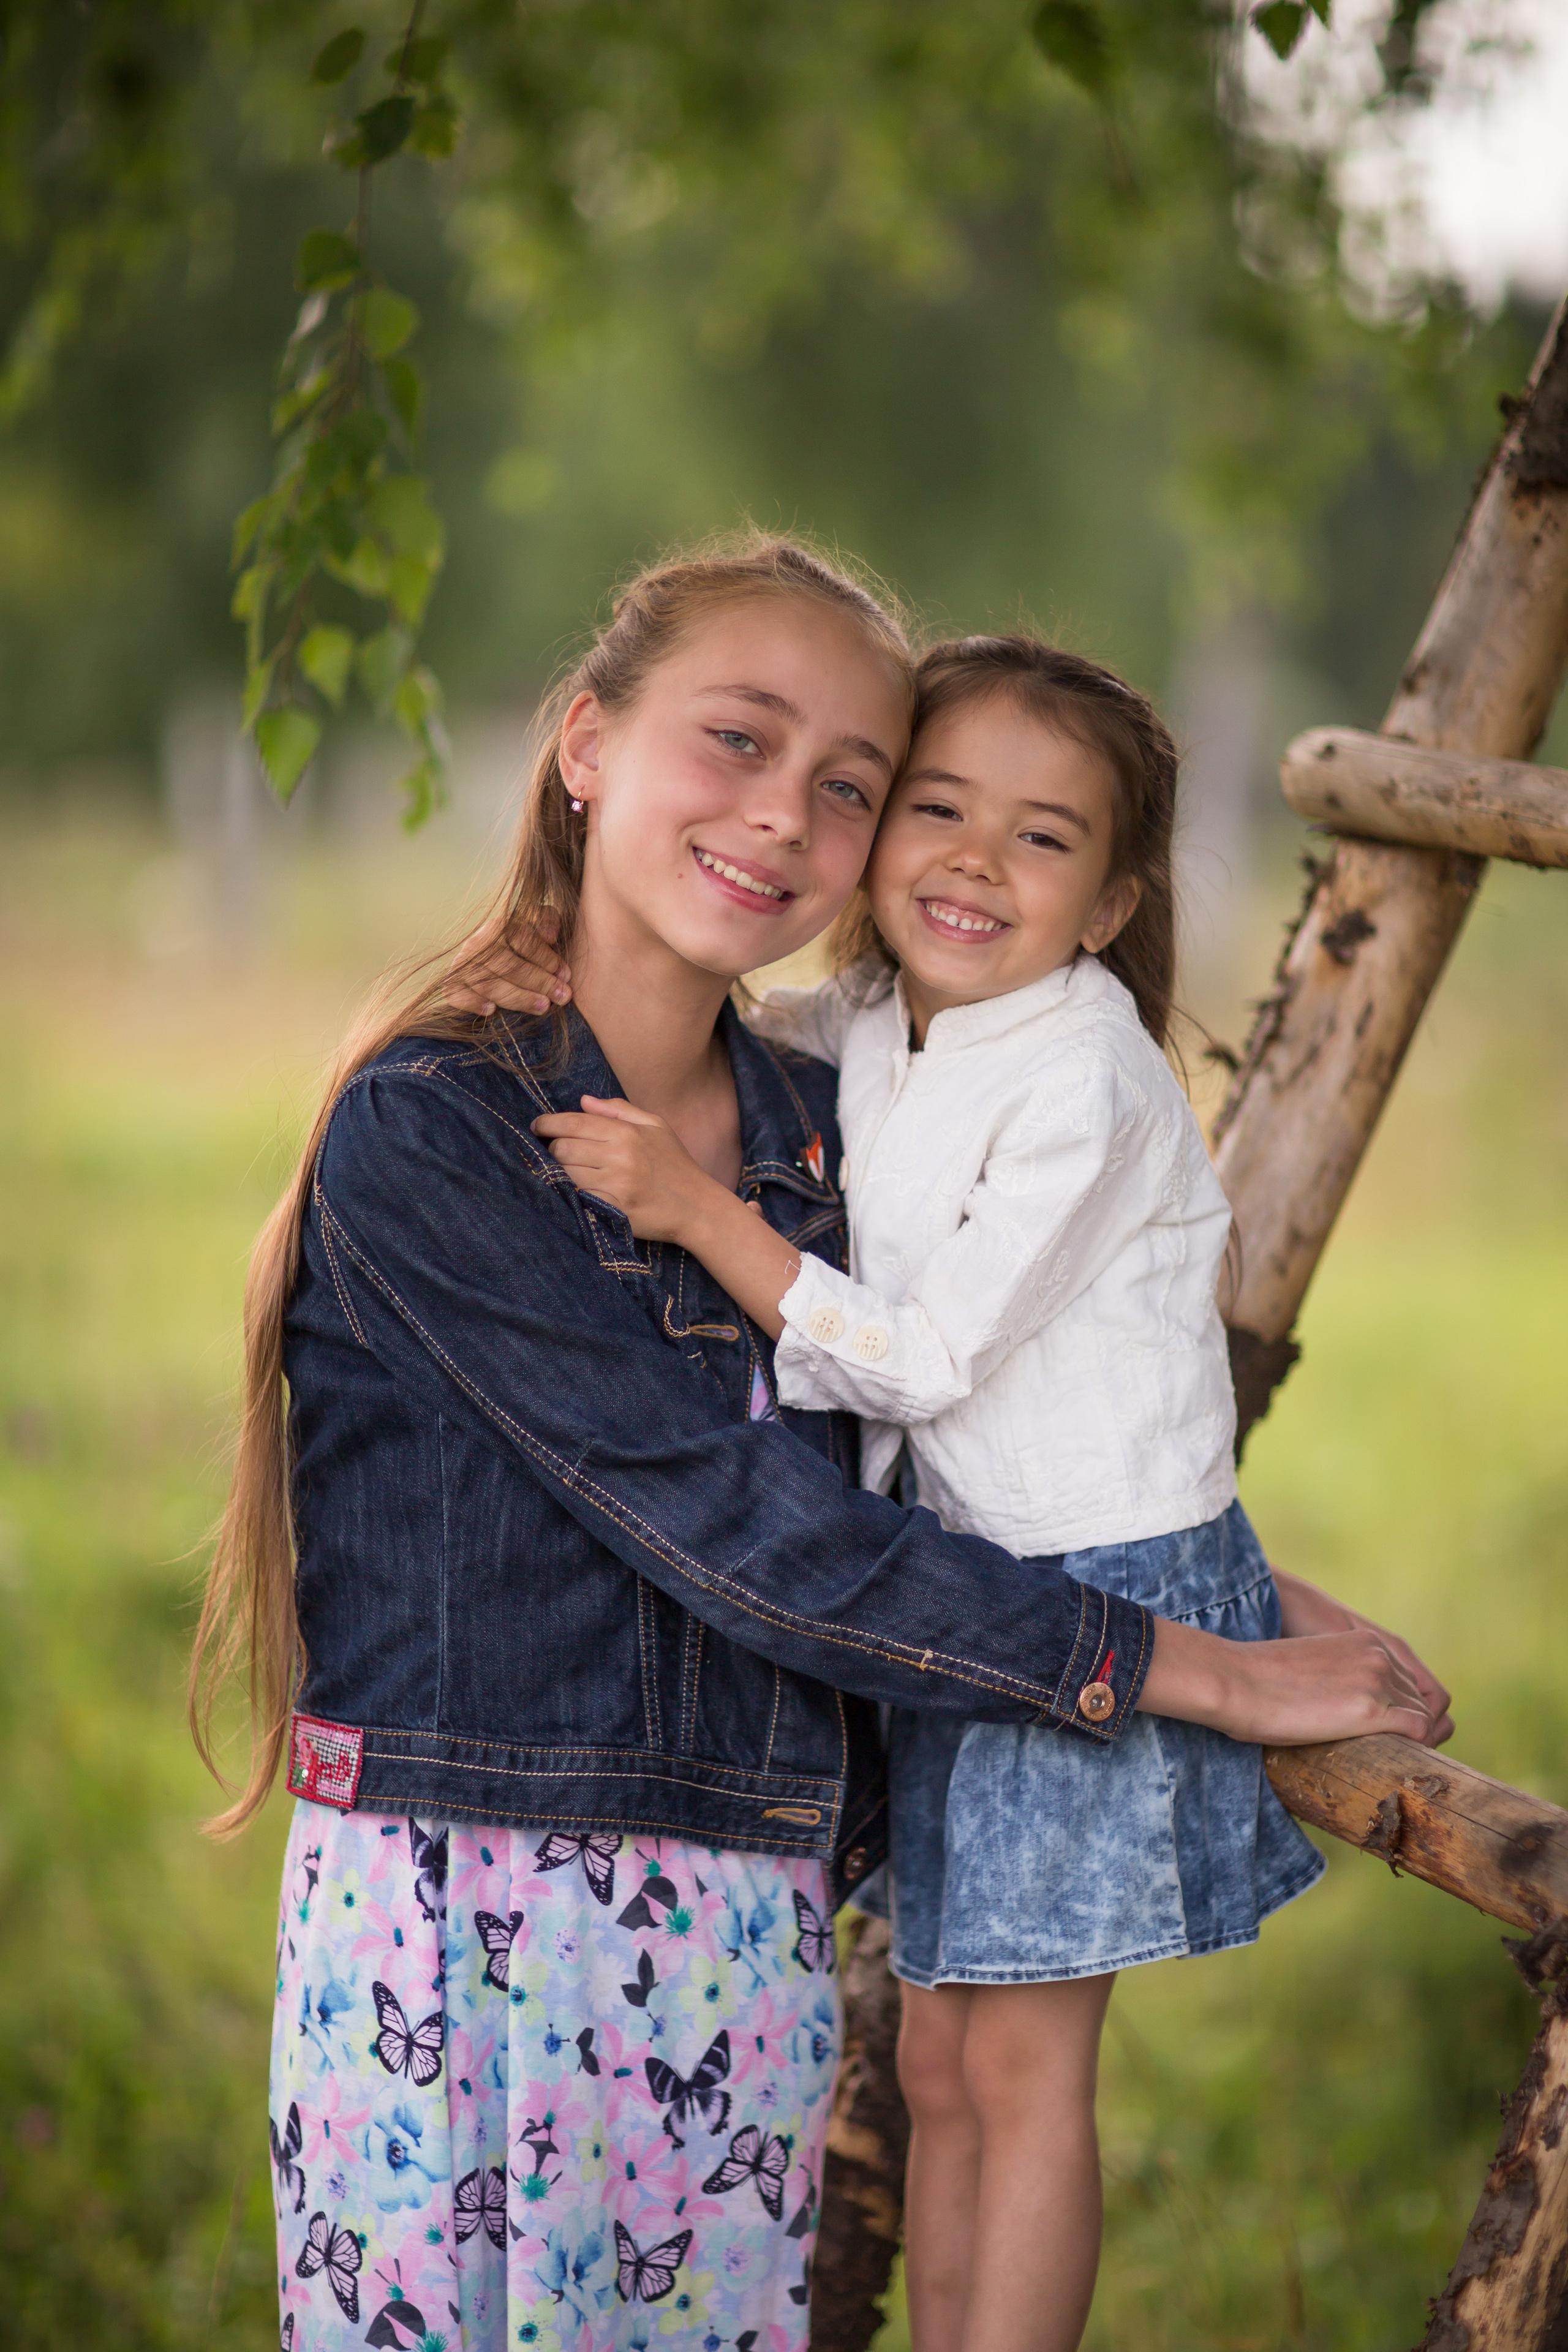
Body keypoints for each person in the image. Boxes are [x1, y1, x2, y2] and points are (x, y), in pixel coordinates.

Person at [197, 538, 1446, 2352]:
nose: (787, 817)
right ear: (586, 745)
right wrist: (1200, 1673)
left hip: (742, 1923)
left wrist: (1224, 1583)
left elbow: (982, 1445)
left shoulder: (822, 1116)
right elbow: (747, 1532)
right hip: (475, 1927)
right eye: (737, 741)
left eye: (848, 786)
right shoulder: (441, 1128)